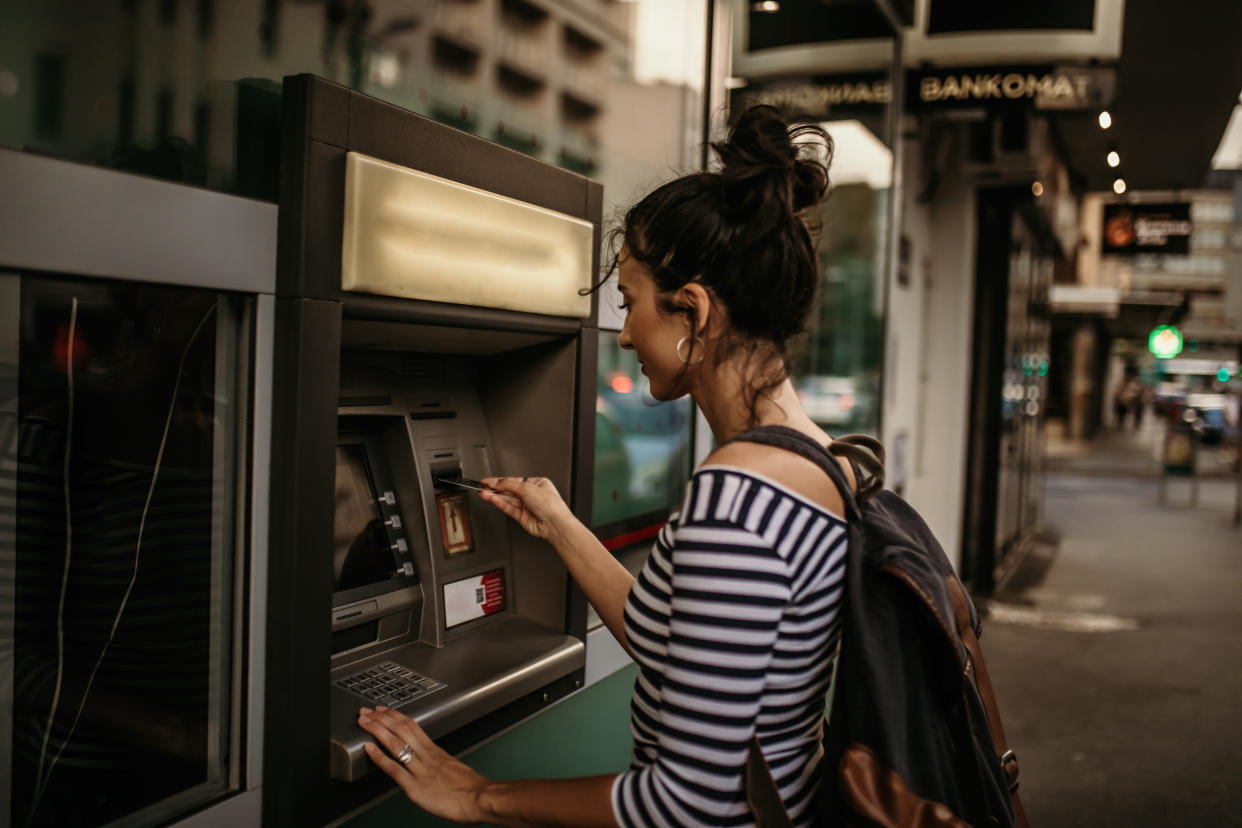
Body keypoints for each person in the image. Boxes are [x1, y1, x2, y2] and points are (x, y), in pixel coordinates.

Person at [356, 106, 855, 828]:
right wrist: (558, 525)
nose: (623, 335)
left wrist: (476, 795)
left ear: (693, 310)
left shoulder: (738, 498)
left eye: (631, 304)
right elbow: (671, 645)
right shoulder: (812, 459)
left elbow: (686, 803)